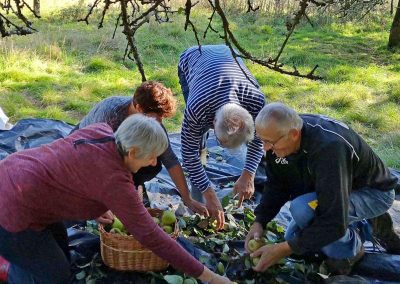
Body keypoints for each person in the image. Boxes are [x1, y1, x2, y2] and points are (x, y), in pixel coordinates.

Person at [0, 114, 231, 284]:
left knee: (63, 256)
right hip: (11, 207)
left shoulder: (101, 131)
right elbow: (152, 236)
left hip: (20, 177)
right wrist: (209, 276)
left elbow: (75, 173)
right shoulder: (115, 182)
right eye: (151, 157)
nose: (153, 164)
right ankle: (7, 269)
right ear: (132, 152)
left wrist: (93, 208)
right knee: (55, 278)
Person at [245, 102, 400, 275]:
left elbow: (333, 220)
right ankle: (359, 221)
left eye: (270, 143)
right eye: (262, 141)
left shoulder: (329, 150)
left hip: (373, 192)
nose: (266, 148)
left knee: (303, 212)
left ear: (294, 134)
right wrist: (260, 221)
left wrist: (284, 249)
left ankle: (358, 242)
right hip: (335, 187)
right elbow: (276, 184)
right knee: (293, 238)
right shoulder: (281, 136)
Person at [76, 81, 208, 216]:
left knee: (152, 164)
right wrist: (103, 205)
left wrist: (188, 199)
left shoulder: (151, 120)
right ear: (138, 108)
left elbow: (170, 160)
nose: (159, 123)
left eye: (162, 118)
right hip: (86, 147)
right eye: (156, 117)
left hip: (120, 151)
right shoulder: (111, 117)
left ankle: (133, 186)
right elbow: (96, 160)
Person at [178, 45, 266, 229]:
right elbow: (187, 154)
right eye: (222, 142)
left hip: (227, 53)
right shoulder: (197, 109)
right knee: (195, 141)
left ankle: (204, 184)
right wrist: (210, 196)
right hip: (194, 56)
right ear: (213, 121)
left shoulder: (256, 101)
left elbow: (260, 139)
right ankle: (199, 185)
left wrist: (248, 174)